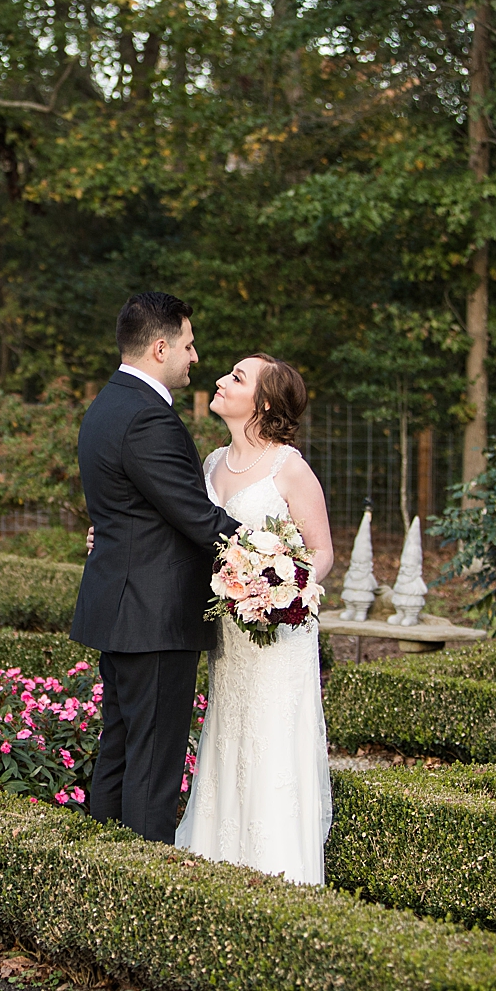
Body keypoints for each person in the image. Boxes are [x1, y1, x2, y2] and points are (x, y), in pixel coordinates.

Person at [72, 292, 240, 843]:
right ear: (161, 346)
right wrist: (274, 557)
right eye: (189, 345)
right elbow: (195, 517)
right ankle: (140, 893)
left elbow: (130, 512)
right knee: (154, 763)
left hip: (122, 608)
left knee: (121, 750)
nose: (196, 357)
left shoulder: (107, 404)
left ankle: (99, 873)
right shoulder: (149, 417)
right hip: (154, 616)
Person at [174, 353, 334, 884]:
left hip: (277, 638)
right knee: (227, 738)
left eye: (236, 377)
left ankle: (280, 875)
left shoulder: (290, 467)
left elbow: (322, 554)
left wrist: (278, 588)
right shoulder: (212, 463)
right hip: (230, 637)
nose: (221, 380)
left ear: (263, 403)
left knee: (270, 747)